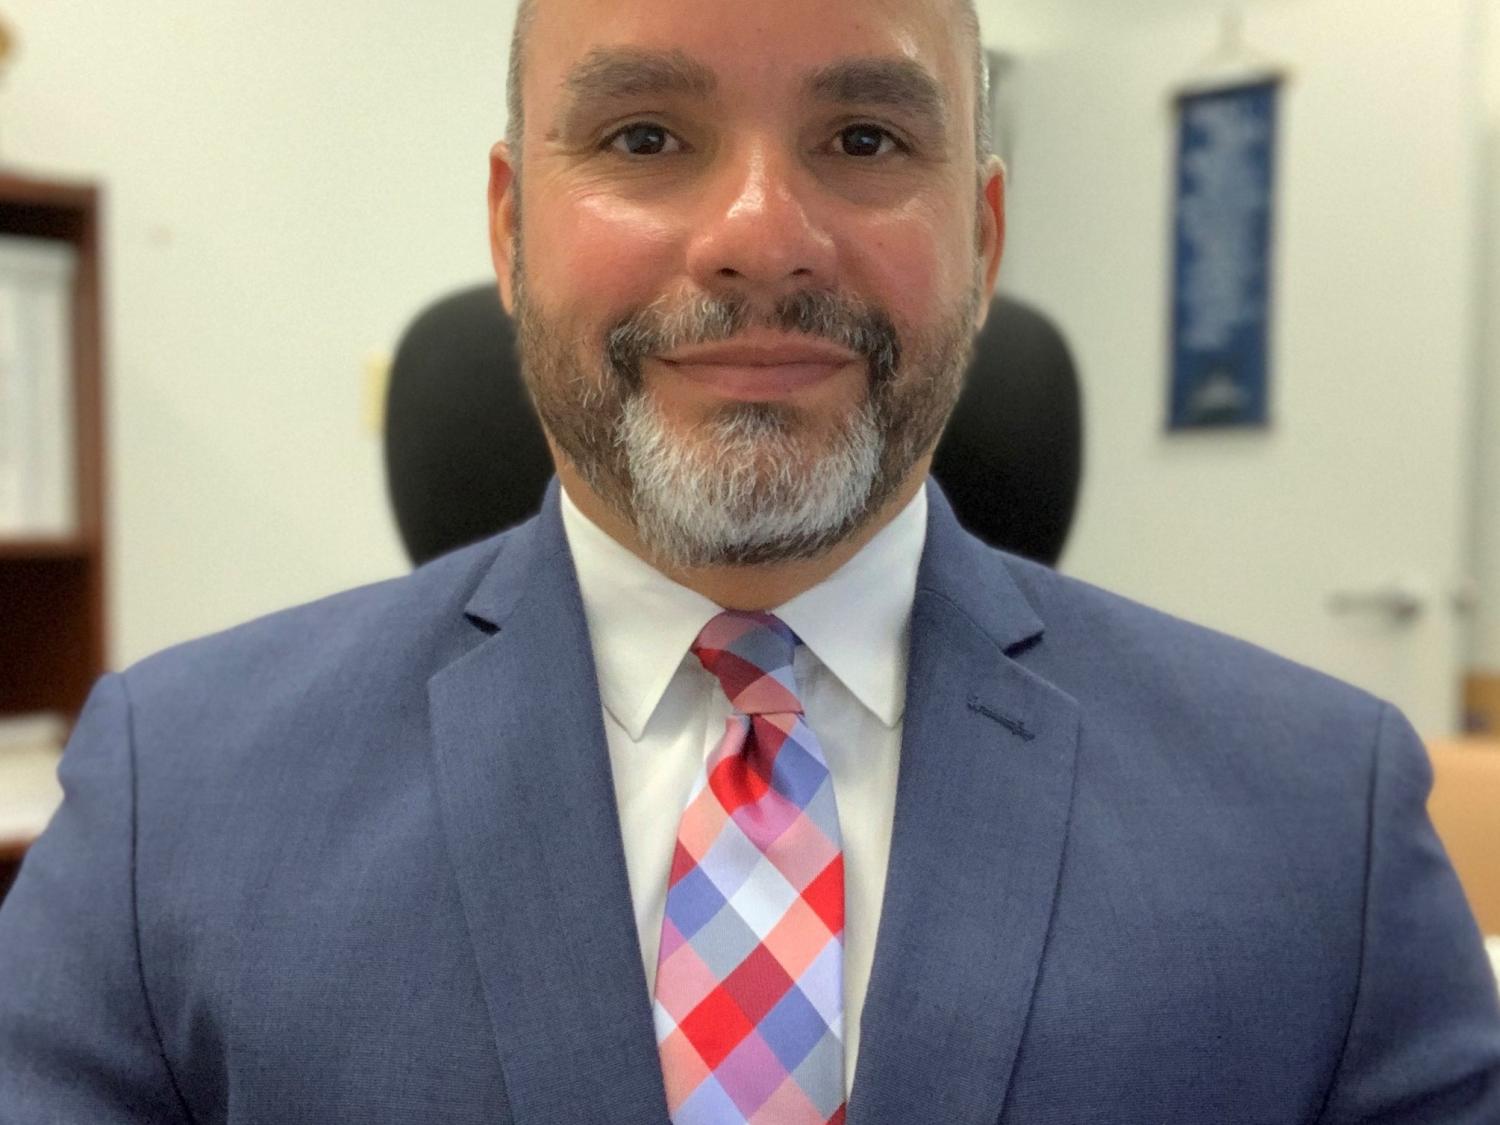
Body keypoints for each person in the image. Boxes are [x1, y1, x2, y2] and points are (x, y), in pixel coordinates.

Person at [2, 0, 1498, 1120]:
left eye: (864, 140)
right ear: (510, 230)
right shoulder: (170, 812)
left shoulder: (1327, 833)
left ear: (983, 241)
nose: (760, 233)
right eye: (646, 137)